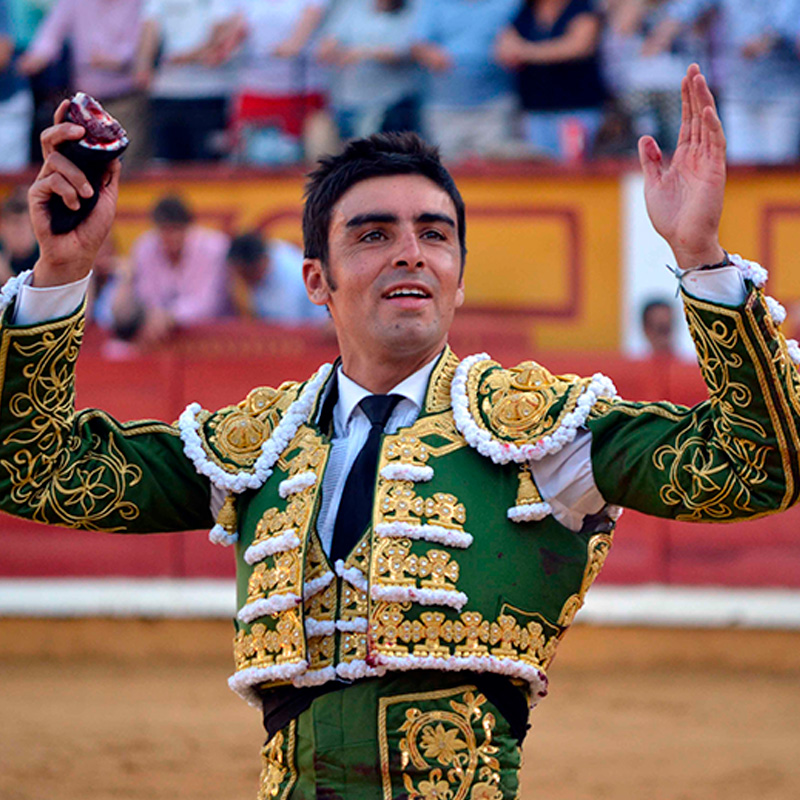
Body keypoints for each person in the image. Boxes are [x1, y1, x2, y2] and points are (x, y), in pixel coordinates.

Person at [3, 65, 800, 798]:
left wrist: (701, 259)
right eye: (373, 234)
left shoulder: (540, 432)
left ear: (459, 270)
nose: (411, 255)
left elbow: (758, 464)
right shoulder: (258, 445)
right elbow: (33, 468)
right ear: (317, 278)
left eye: (435, 233)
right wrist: (62, 274)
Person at [644, 0, 800, 165]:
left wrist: (769, 38)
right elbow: (688, 7)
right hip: (737, 92)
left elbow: (788, 20)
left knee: (778, 168)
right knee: (740, 167)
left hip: (782, 95)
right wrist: (660, 35)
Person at [17, 0, 151, 169]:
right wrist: (34, 59)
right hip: (84, 109)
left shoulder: (138, 3)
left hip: (126, 103)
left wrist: (118, 61)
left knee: (126, 170)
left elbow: (146, 41)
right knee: (86, 170)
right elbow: (50, 35)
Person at [496, 0, 608, 161]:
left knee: (576, 169)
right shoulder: (524, 11)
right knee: (540, 172)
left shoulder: (581, 7)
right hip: (535, 109)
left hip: (576, 109)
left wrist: (525, 51)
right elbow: (504, 48)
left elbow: (579, 47)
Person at [127, 194, 230, 346]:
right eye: (165, 230)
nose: (170, 237)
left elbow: (209, 303)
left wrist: (170, 316)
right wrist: (157, 316)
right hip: (157, 331)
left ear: (189, 227)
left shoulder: (214, 248)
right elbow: (145, 295)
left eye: (176, 229)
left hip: (215, 337)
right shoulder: (145, 247)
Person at [318, 0, 422, 141]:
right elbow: (330, 41)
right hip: (348, 102)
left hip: (391, 104)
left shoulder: (413, 10)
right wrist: (330, 50)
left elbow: (405, 51)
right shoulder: (353, 7)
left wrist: (363, 53)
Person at [226, 230, 327, 323]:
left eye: (246, 274)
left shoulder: (290, 278)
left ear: (261, 263)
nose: (243, 280)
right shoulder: (269, 252)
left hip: (314, 328)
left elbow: (288, 326)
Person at [0, 186, 38, 282]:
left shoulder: (46, 255)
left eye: (23, 226)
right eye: (14, 226)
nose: (19, 233)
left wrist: (6, 278)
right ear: (3, 228)